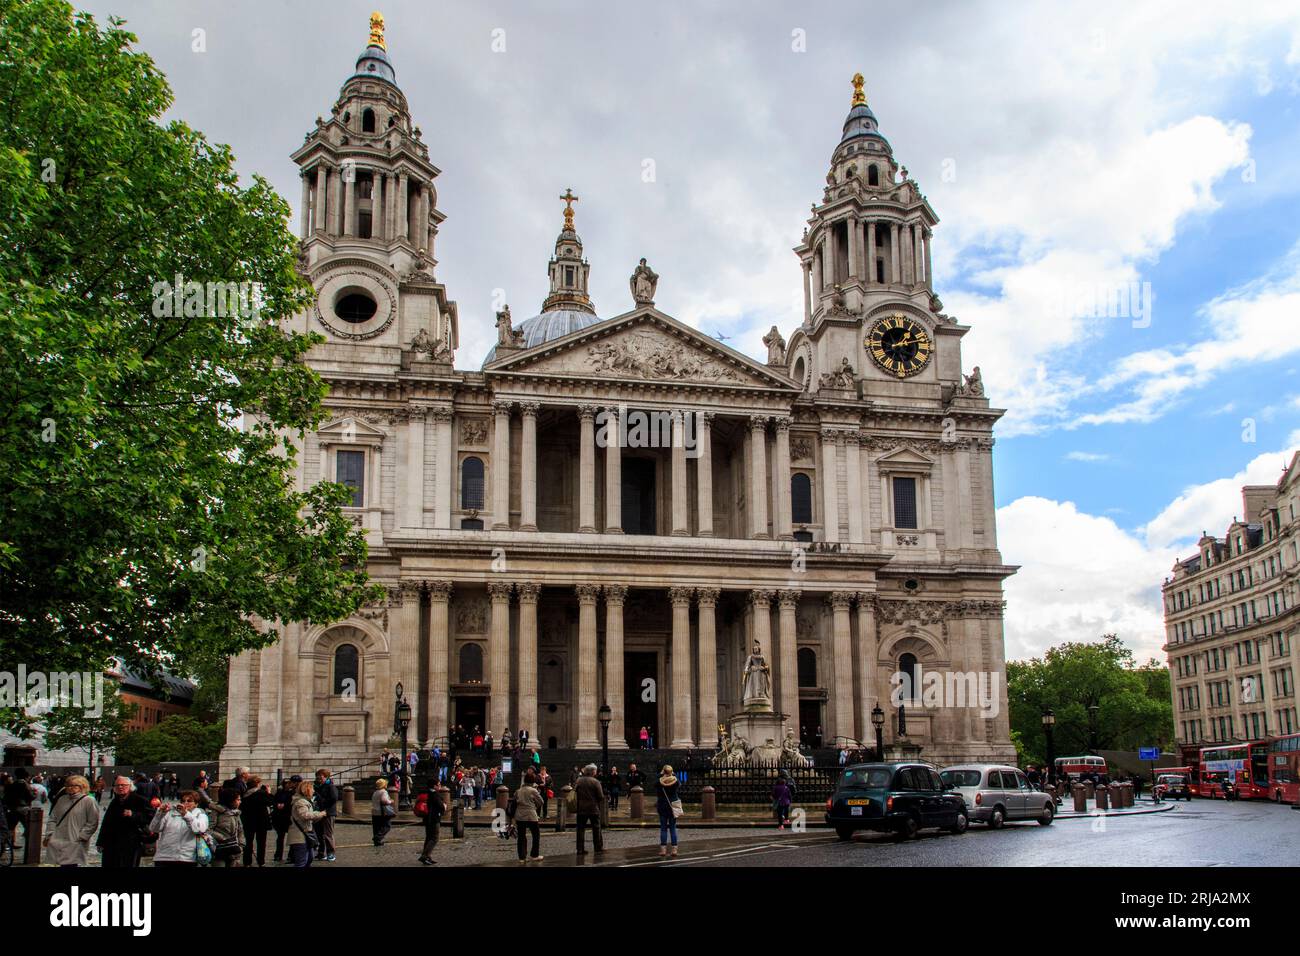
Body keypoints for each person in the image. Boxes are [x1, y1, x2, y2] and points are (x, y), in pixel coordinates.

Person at [44, 775, 100, 867]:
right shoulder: (62, 799)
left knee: (71, 863)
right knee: (60, 863)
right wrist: (50, 834)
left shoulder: (89, 800)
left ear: (82, 786)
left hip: (75, 839)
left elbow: (93, 821)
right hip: (59, 837)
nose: (70, 788)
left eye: (75, 786)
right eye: (68, 785)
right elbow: (53, 818)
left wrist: (82, 836)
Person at [96, 775, 152, 868]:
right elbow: (106, 823)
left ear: (130, 786)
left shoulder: (140, 800)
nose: (120, 787)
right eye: (117, 785)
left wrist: (133, 815)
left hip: (131, 842)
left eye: (123, 785)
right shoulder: (115, 801)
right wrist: (100, 842)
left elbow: (150, 818)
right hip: (111, 844)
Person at [149, 790, 209, 867]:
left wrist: (186, 814)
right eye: (183, 801)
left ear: (196, 804)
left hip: (187, 858)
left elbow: (199, 829)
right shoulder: (170, 813)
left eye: (189, 801)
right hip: (164, 857)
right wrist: (160, 813)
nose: (185, 803)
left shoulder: (200, 815)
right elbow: (154, 828)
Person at [288, 780, 326, 868]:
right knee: (302, 862)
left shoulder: (304, 801)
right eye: (312, 789)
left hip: (306, 834)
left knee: (309, 858)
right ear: (307, 790)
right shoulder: (301, 802)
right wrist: (321, 813)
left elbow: (309, 820)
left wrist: (319, 816)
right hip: (300, 835)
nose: (313, 791)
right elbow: (305, 816)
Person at [513, 769, 545, 863]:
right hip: (531, 815)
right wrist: (534, 806)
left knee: (521, 836)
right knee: (536, 834)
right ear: (532, 781)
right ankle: (534, 855)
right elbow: (541, 802)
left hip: (520, 815)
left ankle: (522, 857)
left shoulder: (518, 791)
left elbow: (514, 802)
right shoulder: (533, 791)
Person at [240, 775, 272, 867]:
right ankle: (261, 861)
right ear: (257, 783)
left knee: (248, 842)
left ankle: (247, 862)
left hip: (248, 821)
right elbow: (270, 802)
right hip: (261, 821)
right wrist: (269, 792)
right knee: (261, 843)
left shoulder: (245, 794)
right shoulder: (261, 793)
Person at [208, 787, 245, 867]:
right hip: (219, 849)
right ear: (230, 800)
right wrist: (222, 838)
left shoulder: (236, 813)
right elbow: (208, 829)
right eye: (238, 800)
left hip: (234, 850)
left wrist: (241, 846)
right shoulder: (217, 811)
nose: (240, 802)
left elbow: (240, 830)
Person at [574, 764, 605, 854]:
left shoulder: (578, 781)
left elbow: (574, 792)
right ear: (592, 772)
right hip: (593, 808)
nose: (596, 772)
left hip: (581, 808)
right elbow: (600, 796)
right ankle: (597, 847)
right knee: (596, 828)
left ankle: (580, 849)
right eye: (595, 770)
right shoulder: (595, 782)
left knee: (580, 829)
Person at [416, 782, 445, 865]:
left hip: (427, 818)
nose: (440, 786)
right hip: (434, 819)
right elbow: (441, 806)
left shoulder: (426, 792)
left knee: (429, 838)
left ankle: (427, 857)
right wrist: (444, 806)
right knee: (434, 838)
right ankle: (425, 856)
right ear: (434, 786)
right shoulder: (434, 794)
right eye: (438, 785)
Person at [655, 764, 681, 856]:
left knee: (663, 829)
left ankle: (663, 850)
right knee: (673, 828)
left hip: (662, 806)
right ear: (671, 772)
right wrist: (671, 774)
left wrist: (662, 774)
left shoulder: (659, 782)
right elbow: (678, 782)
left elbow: (656, 781)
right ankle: (674, 850)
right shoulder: (676, 781)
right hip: (673, 806)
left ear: (663, 772)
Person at [313, 768, 338, 862]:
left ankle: (331, 853)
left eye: (320, 777)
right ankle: (321, 852)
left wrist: (321, 801)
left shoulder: (330, 786)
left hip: (328, 812)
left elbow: (334, 798)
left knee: (328, 834)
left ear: (326, 776)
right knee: (319, 834)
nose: (318, 778)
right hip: (318, 812)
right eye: (317, 777)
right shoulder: (317, 786)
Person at [271, 776, 297, 863]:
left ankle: (291, 856)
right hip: (280, 817)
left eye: (289, 783)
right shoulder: (279, 792)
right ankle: (278, 855)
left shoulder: (293, 793)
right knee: (280, 838)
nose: (287, 785)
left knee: (291, 838)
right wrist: (277, 805)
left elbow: (293, 804)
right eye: (286, 783)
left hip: (288, 817)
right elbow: (274, 801)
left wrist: (284, 805)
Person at [372, 777, 394, 846]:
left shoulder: (375, 792)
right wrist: (390, 801)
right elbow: (384, 800)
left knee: (376, 827)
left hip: (374, 812)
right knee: (387, 826)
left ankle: (377, 842)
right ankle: (378, 837)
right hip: (382, 812)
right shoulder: (383, 792)